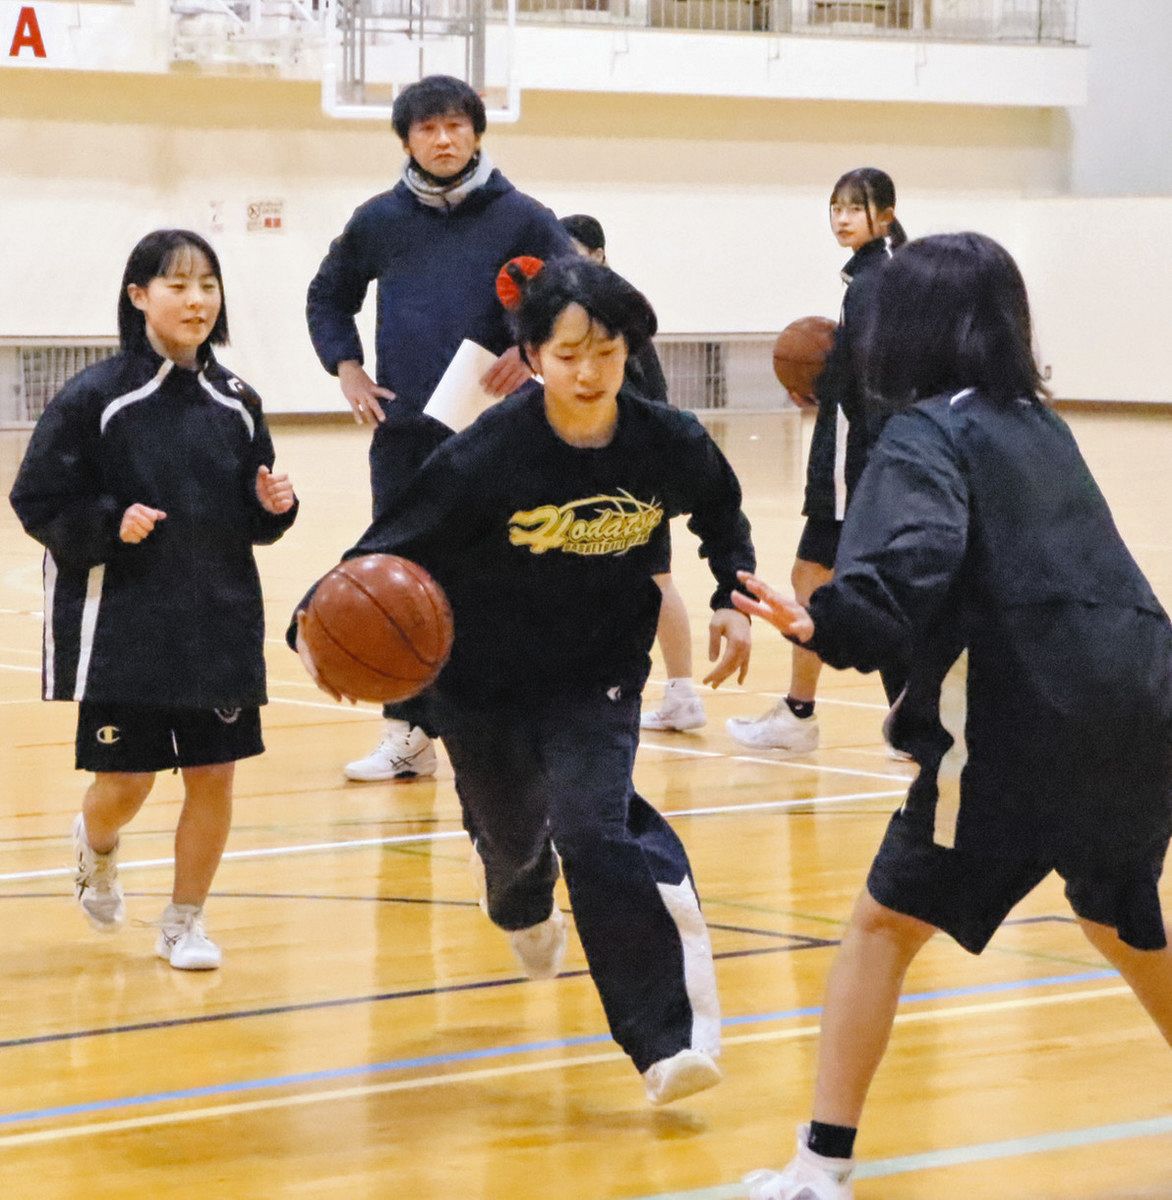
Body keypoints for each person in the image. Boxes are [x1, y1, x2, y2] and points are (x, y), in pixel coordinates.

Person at [735, 232, 1172, 1199]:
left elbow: (917, 557)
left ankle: (819, 1167)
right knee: (1121, 919)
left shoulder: (925, 433)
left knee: (883, 926)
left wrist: (831, 618)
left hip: (1028, 717)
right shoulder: (1038, 422)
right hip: (1147, 701)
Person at [294, 258, 755, 1104]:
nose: (588, 372)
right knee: (512, 845)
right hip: (485, 681)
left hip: (597, 676)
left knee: (595, 829)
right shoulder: (488, 452)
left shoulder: (668, 440)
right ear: (534, 355)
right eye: (568, 354)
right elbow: (391, 541)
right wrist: (311, 628)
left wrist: (733, 594)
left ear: (630, 354)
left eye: (606, 353)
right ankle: (520, 900)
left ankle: (666, 1044)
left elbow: (722, 515)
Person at [9, 229, 298, 970]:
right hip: (125, 623)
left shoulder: (237, 400)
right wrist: (111, 522)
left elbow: (254, 518)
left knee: (214, 777)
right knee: (125, 783)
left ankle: (184, 921)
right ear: (138, 296)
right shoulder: (96, 397)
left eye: (207, 284)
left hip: (219, 618)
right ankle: (96, 846)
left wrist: (273, 505)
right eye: (177, 284)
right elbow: (37, 496)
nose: (196, 299)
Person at [307, 73, 575, 784]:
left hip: (498, 434)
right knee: (399, 579)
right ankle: (408, 732)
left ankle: (512, 719)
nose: (445, 138)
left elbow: (576, 294)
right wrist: (347, 367)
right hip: (407, 435)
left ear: (478, 133)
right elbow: (328, 295)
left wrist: (533, 353)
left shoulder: (523, 216)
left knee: (501, 574)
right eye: (428, 128)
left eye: (456, 125)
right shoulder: (377, 220)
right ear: (406, 140)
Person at [727, 168, 907, 755]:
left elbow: (868, 375)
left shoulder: (873, 282)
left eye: (855, 207)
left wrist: (821, 379)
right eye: (835, 207)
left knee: (833, 581)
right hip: (863, 456)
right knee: (830, 579)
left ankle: (839, 716)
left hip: (853, 461)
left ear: (886, 213)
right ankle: (816, 713)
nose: (842, 217)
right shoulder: (885, 274)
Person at [559, 212, 705, 734]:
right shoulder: (587, 306)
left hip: (632, 460)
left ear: (597, 254)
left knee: (654, 577)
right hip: (625, 456)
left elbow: (638, 398)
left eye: (572, 251)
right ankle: (672, 691)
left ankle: (677, 691)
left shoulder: (609, 311)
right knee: (643, 577)